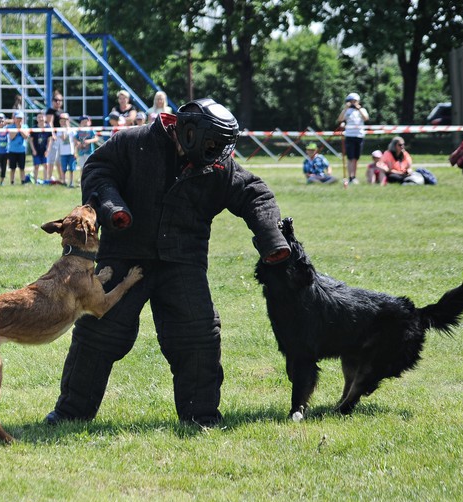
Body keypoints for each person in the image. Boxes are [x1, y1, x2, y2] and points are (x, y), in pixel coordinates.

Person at [44, 98, 291, 428]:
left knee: (198, 337)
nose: (218, 152)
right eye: (213, 143)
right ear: (190, 134)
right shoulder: (134, 142)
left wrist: (273, 240)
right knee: (99, 334)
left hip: (182, 262)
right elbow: (98, 171)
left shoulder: (216, 166)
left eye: (222, 145)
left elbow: (254, 193)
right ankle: (70, 413)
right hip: (124, 254)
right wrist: (112, 208)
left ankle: (200, 418)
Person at [336, 92, 369, 184]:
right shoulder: (347, 111)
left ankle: (354, 176)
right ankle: (350, 177)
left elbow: (366, 118)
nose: (352, 103)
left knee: (356, 158)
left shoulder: (362, 110)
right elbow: (340, 119)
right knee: (350, 157)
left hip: (359, 135)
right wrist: (345, 109)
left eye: (354, 101)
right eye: (351, 101)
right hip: (349, 136)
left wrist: (358, 109)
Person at [7, 111, 30, 185]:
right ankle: (12, 182)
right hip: (12, 150)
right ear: (14, 118)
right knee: (12, 168)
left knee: (22, 168)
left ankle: (23, 181)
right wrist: (17, 129)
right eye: (18, 118)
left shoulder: (25, 126)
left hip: (22, 150)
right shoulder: (10, 127)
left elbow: (26, 136)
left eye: (20, 118)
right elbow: (11, 137)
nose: (19, 120)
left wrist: (20, 129)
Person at [46, 90, 64, 182]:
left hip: (62, 137)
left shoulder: (61, 111)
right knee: (52, 158)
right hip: (54, 137)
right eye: (56, 100)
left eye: (60, 100)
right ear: (52, 101)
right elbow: (50, 123)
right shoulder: (50, 111)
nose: (58, 102)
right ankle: (49, 177)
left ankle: (61, 177)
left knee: (60, 159)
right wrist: (52, 134)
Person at [30, 113, 51, 184]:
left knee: (46, 165)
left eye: (42, 117)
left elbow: (49, 140)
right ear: (37, 119)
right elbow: (31, 140)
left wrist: (48, 150)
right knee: (36, 166)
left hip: (44, 150)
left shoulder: (48, 128)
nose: (41, 119)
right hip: (36, 150)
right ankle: (35, 181)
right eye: (39, 117)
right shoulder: (34, 128)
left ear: (45, 118)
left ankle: (45, 180)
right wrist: (33, 150)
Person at [57, 113, 77, 188]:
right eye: (62, 121)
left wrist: (75, 151)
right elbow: (63, 138)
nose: (64, 122)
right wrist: (64, 129)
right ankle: (64, 181)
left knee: (71, 168)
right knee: (64, 168)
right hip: (63, 152)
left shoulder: (72, 130)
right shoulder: (59, 130)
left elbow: (75, 141)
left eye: (65, 120)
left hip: (71, 152)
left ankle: (71, 182)